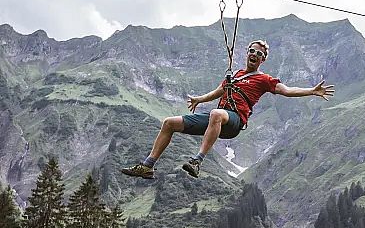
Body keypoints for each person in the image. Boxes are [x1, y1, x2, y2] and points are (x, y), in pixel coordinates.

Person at [121, 39, 334, 179]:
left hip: (234, 121)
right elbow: (218, 92)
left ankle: (197, 161)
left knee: (216, 114)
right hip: (217, 118)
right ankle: (148, 165)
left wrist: (311, 91)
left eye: (258, 54)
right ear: (247, 53)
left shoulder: (264, 79)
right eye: (251, 51)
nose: (254, 54)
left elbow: (286, 91)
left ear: (263, 59)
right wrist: (198, 99)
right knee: (169, 123)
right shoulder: (236, 75)